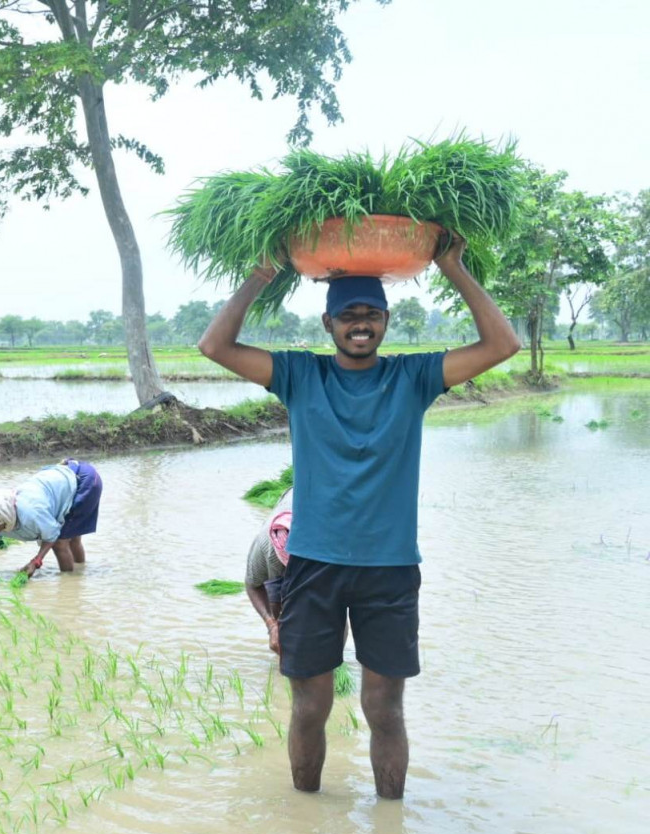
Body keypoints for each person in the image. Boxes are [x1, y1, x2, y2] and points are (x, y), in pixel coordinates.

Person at [197, 234, 520, 799]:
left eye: (371, 314)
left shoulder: (414, 378)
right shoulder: (301, 376)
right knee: (309, 707)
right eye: (349, 315)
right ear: (329, 324)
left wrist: (453, 267)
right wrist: (260, 274)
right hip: (314, 565)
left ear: (387, 320)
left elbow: (503, 344)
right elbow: (214, 346)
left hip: (390, 568)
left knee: (384, 709)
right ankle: (307, 819)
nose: (361, 324)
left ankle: (389, 821)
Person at [0, 459, 102, 577]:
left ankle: (71, 584)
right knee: (71, 537)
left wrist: (36, 561)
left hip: (84, 481)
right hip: (58, 479)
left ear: (4, 517)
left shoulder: (32, 512)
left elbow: (52, 535)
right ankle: (80, 572)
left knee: (62, 542)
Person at [244, 487, 293, 655]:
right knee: (277, 605)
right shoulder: (265, 546)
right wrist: (271, 623)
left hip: (316, 550)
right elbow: (252, 585)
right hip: (275, 558)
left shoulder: (324, 542)